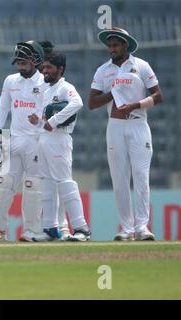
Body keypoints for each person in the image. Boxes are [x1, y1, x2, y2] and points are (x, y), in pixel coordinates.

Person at [89, 27, 163, 241]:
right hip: (115, 127)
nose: (111, 49)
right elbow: (92, 103)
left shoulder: (141, 66)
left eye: (115, 45)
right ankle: (126, 228)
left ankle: (142, 227)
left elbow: (158, 96)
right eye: (109, 46)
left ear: (125, 45)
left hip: (138, 124)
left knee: (141, 176)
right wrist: (112, 92)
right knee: (119, 178)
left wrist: (136, 105)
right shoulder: (103, 70)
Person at [29, 52, 91, 242]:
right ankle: (50, 229)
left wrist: (54, 121)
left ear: (60, 69)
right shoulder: (47, 91)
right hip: (45, 140)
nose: (45, 71)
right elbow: (45, 122)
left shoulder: (66, 87)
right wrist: (37, 122)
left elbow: (77, 103)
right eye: (44, 68)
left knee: (64, 182)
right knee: (47, 184)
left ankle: (81, 228)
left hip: (60, 140)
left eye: (49, 68)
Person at [0, 40, 47, 241]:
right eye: (19, 62)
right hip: (13, 139)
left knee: (32, 186)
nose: (20, 66)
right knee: (3, 183)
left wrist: (40, 123)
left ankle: (32, 230)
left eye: (25, 62)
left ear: (36, 60)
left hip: (35, 141)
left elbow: (49, 114)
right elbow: (2, 108)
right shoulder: (10, 81)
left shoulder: (44, 83)